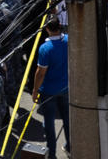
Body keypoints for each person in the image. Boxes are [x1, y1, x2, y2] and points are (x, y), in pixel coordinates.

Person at [31, 17, 70, 159]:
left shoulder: (45, 49)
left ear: (47, 29)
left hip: (48, 91)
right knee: (67, 119)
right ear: (59, 27)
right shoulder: (68, 40)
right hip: (66, 88)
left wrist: (35, 90)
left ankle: (51, 153)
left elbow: (40, 73)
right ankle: (70, 146)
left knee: (49, 123)